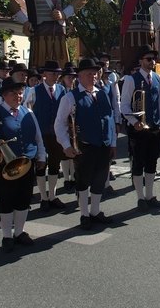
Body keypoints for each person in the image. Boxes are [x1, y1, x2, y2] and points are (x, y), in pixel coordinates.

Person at [0, 77, 47, 252]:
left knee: (23, 199)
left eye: (20, 92)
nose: (18, 96)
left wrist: (42, 156)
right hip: (6, 165)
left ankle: (19, 232)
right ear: (4, 95)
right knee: (6, 201)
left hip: (27, 164)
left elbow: (38, 138)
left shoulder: (28, 113)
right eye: (14, 93)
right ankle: (7, 235)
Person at [55, 58, 116, 229]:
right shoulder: (70, 97)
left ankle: (95, 212)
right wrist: (66, 145)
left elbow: (109, 118)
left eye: (95, 73)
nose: (93, 76)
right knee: (83, 181)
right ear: (79, 76)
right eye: (89, 73)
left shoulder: (102, 93)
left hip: (103, 145)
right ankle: (84, 214)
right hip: (85, 146)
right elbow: (59, 124)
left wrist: (112, 142)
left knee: (99, 180)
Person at [120, 45, 160, 211]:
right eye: (148, 59)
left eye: (153, 59)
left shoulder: (158, 79)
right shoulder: (131, 79)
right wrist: (134, 122)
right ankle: (140, 197)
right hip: (139, 129)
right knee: (138, 163)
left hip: (153, 126)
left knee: (152, 162)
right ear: (140, 61)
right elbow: (124, 105)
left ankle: (150, 195)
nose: (152, 62)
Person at [24, 60, 67, 212]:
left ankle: (52, 196)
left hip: (56, 133)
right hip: (41, 133)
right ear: (44, 75)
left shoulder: (62, 89)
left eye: (57, 73)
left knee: (55, 164)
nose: (56, 76)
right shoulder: (34, 90)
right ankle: (43, 198)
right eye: (53, 73)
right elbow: (27, 110)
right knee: (41, 165)